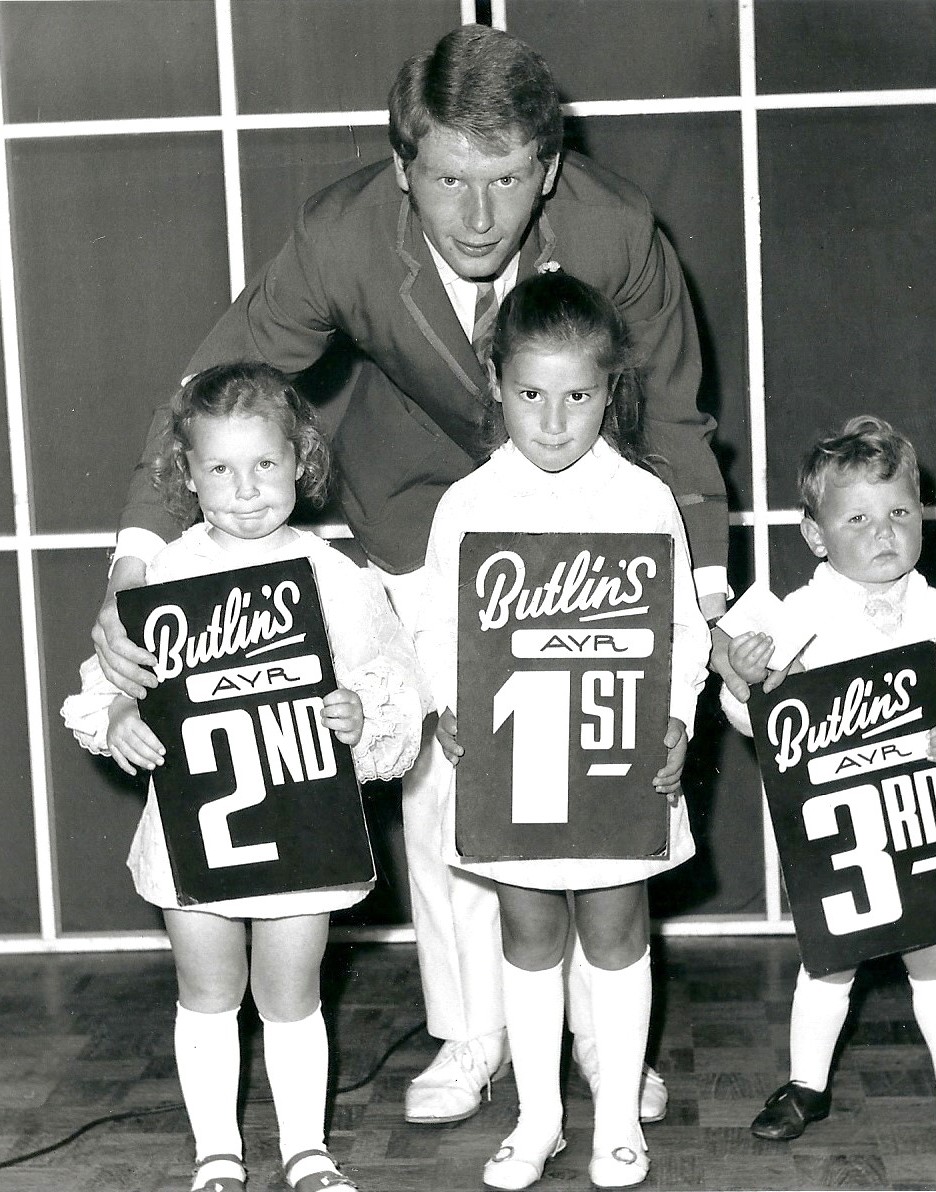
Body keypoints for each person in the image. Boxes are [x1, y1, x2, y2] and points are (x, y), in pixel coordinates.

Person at [89, 25, 731, 1126]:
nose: (478, 218)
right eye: (446, 179)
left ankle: (600, 1045)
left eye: (506, 180)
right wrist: (135, 562)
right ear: (401, 170)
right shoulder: (340, 238)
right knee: (441, 781)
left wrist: (701, 603)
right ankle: (469, 1033)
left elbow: (673, 413)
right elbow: (211, 384)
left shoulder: (620, 232)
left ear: (551, 165)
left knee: (602, 772)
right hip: (423, 512)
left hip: (588, 506)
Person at [62, 363, 431, 1192]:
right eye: (220, 469)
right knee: (207, 991)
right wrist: (119, 719)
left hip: (302, 825)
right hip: (196, 831)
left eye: (264, 464)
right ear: (185, 477)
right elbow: (101, 685)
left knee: (293, 993)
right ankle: (217, 1155)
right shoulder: (160, 580)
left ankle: (307, 1150)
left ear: (301, 460)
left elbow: (393, 683)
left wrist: (361, 720)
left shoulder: (335, 577)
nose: (245, 488)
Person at [415, 272, 710, 1190]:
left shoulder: (641, 499)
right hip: (515, 756)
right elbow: (434, 625)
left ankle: (617, 1118)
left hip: (614, 750)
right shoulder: (467, 504)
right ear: (495, 385)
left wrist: (675, 716)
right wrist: (442, 703)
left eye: (576, 397)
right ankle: (537, 1116)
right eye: (530, 396)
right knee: (529, 933)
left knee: (618, 930)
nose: (551, 421)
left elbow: (680, 629)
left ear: (609, 393)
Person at [719, 415, 936, 1156]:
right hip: (837, 820)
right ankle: (805, 1084)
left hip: (918, 810)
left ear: (921, 518)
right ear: (814, 536)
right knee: (829, 959)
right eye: (858, 518)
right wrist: (747, 683)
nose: (884, 533)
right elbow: (756, 721)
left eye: (899, 513)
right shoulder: (799, 615)